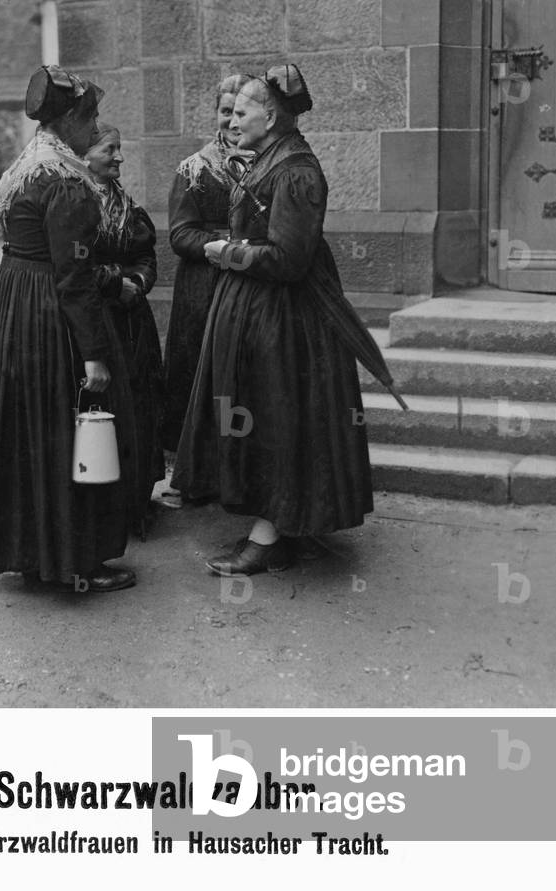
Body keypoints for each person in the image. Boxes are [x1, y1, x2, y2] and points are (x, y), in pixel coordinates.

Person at [172, 65, 374, 575]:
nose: (233, 122)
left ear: (271, 113)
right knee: (267, 416)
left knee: (277, 417)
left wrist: (225, 251)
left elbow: (288, 260)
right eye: (233, 112)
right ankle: (291, 526)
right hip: (262, 310)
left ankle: (269, 538)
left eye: (242, 112)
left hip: (287, 319)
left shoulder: (297, 171)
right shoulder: (270, 158)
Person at [0, 65, 138, 593]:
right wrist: (94, 353)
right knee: (73, 427)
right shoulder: (68, 184)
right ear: (67, 120)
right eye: (91, 117)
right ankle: (77, 561)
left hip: (16, 308)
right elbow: (74, 277)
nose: (96, 126)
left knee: (29, 428)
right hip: (48, 313)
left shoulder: (27, 168)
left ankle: (35, 550)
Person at [161, 73, 252, 454]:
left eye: (240, 112)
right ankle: (197, 464)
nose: (231, 121)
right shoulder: (194, 169)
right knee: (202, 369)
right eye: (225, 111)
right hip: (204, 287)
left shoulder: (267, 164)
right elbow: (180, 235)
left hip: (253, 282)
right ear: (215, 113)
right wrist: (222, 247)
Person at [84, 123, 164, 539]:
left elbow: (147, 256)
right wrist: (117, 282)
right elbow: (73, 268)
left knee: (140, 404)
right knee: (102, 410)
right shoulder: (74, 204)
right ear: (85, 155)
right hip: (95, 322)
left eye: (119, 149)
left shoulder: (127, 207)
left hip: (133, 323)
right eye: (109, 149)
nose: (118, 157)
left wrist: (139, 282)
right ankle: (103, 505)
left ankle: (138, 499)